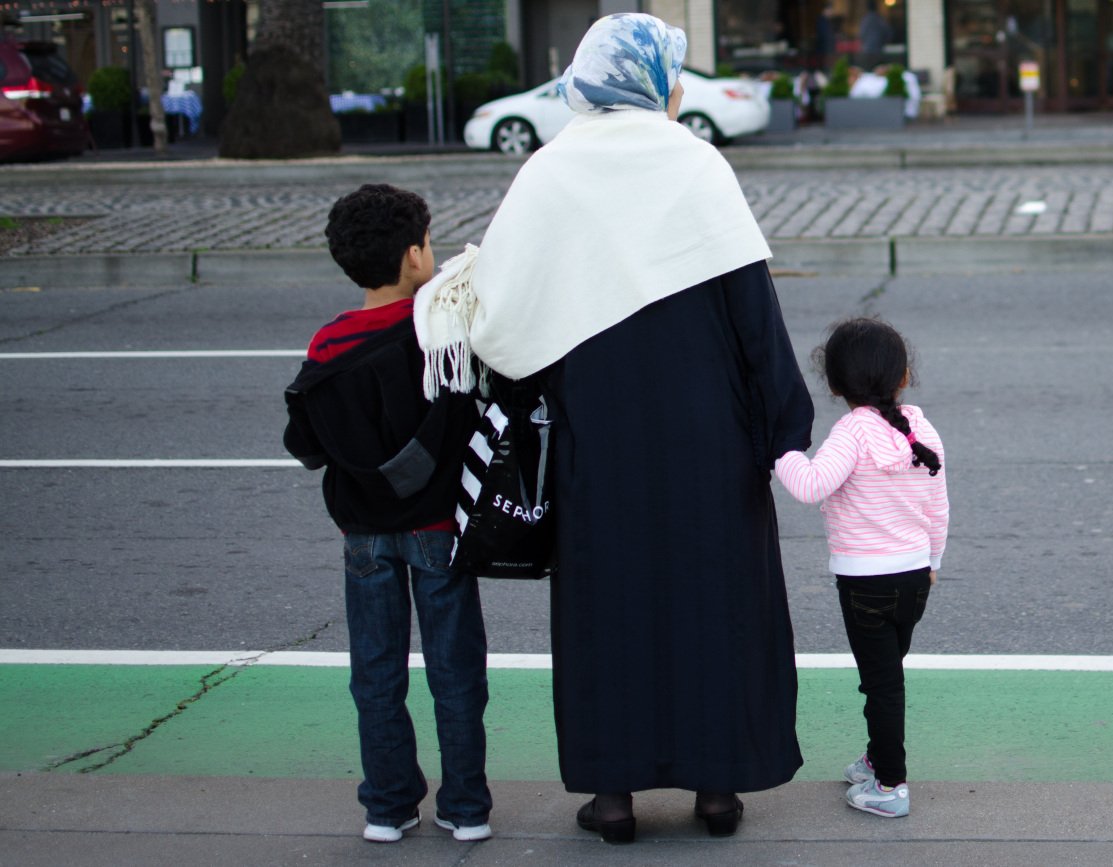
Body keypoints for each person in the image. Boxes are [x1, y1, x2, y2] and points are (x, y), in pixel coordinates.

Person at [416, 12, 813, 845]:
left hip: (596, 437)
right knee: (717, 605)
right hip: (710, 437)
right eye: (673, 75)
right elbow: (753, 312)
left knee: (608, 611)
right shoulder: (695, 164)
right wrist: (781, 424)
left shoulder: (549, 172)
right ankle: (716, 787)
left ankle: (613, 797)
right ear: (654, 81)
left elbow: (505, 320)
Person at [282, 184, 492, 844]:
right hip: (437, 529)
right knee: (455, 673)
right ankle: (464, 806)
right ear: (412, 256)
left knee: (375, 672)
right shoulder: (440, 338)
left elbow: (305, 443)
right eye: (428, 241)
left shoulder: (327, 345)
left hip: (363, 535)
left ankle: (388, 805)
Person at [773, 317, 948, 820]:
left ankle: (891, 785)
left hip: (865, 583)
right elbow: (938, 505)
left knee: (882, 684)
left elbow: (809, 485)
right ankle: (877, 758)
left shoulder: (851, 432)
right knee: (886, 676)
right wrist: (933, 559)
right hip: (916, 578)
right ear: (904, 375)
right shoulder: (921, 425)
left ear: (833, 385)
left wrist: (778, 451)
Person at [858, 0, 892, 72]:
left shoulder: (865, 20)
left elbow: (861, 34)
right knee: (878, 72)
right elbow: (888, 33)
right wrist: (883, 42)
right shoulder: (879, 19)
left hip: (867, 50)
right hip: (878, 50)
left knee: (868, 72)